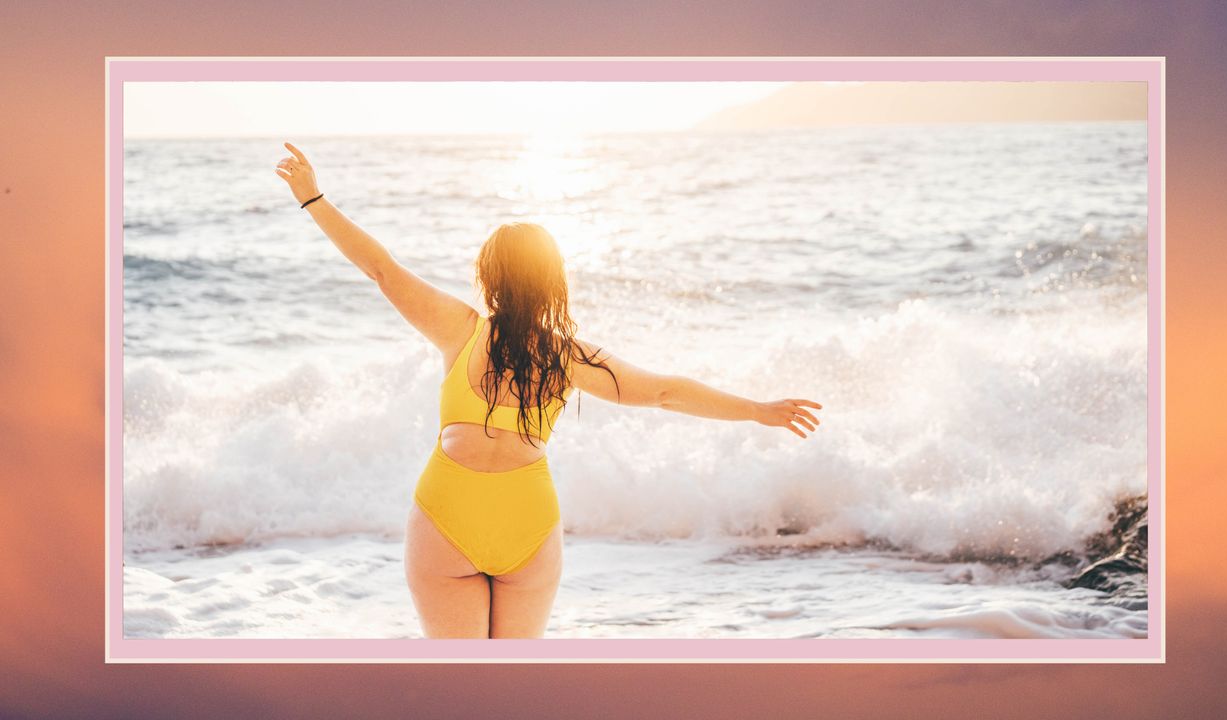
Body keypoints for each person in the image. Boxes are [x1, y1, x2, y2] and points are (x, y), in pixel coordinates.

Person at [274, 142, 822, 638]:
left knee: (460, 692)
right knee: (513, 691)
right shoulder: (567, 356)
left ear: (488, 277)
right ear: (552, 282)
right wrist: (757, 410)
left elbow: (381, 270)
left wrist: (314, 199)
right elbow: (663, 393)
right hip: (527, 522)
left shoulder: (459, 328)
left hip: (447, 515)